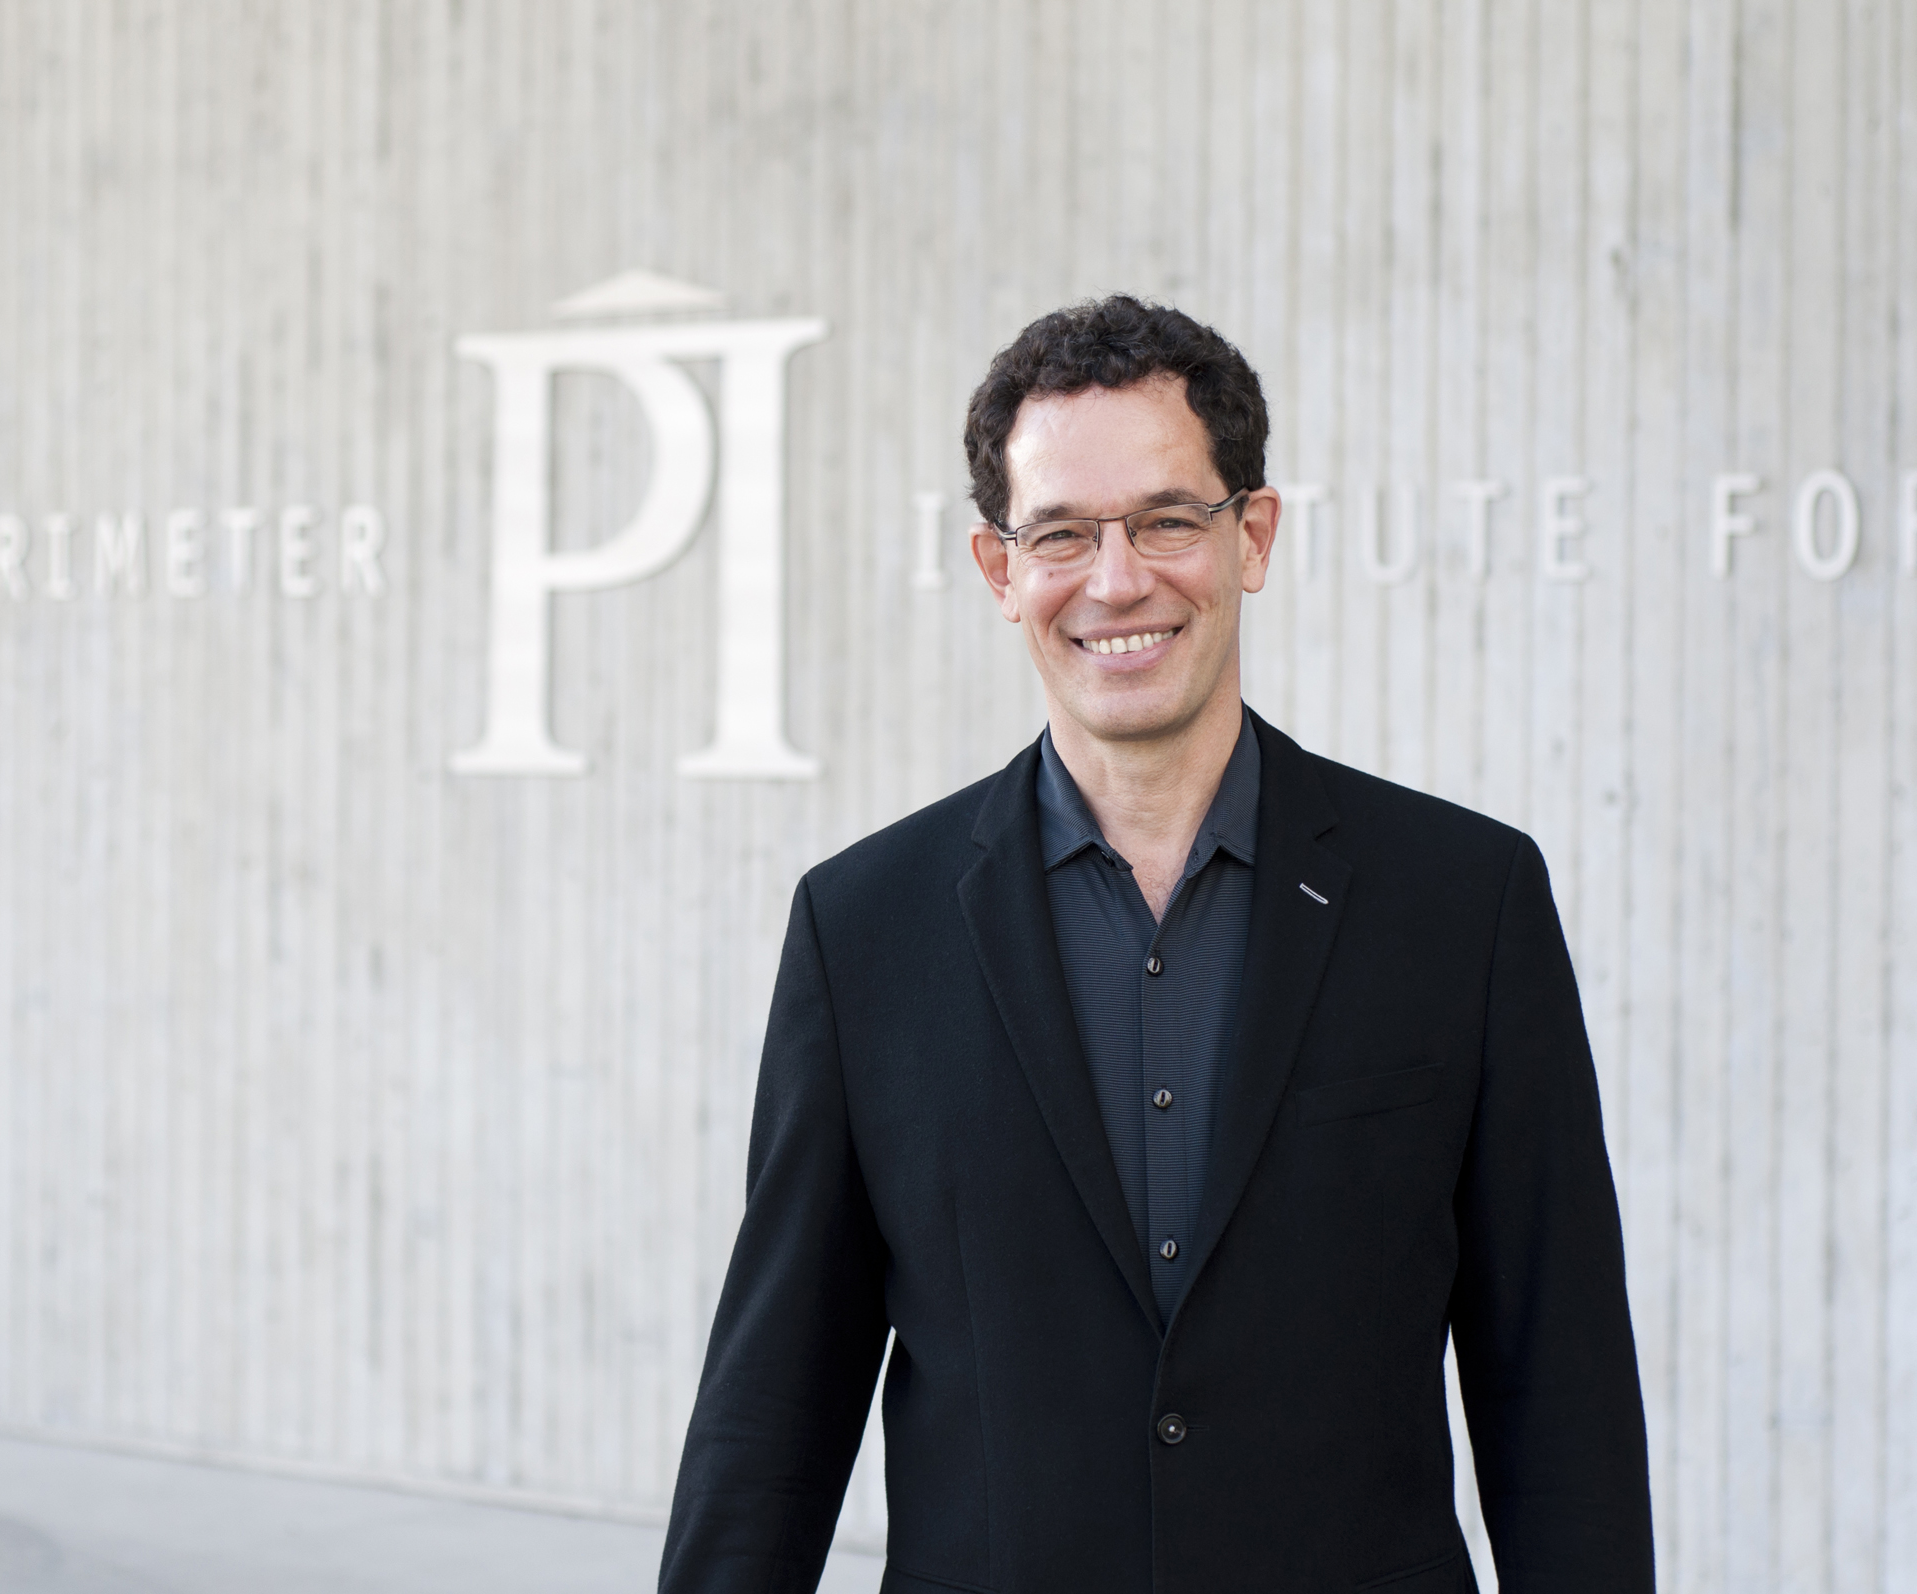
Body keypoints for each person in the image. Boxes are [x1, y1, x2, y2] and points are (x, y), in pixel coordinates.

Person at [657, 295, 1653, 1594]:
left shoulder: (1466, 901)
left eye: (1168, 518)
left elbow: (1557, 1391)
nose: (1116, 578)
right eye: (1062, 532)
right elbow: (775, 1408)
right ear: (999, 569)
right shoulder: (865, 930)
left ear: (1253, 534)